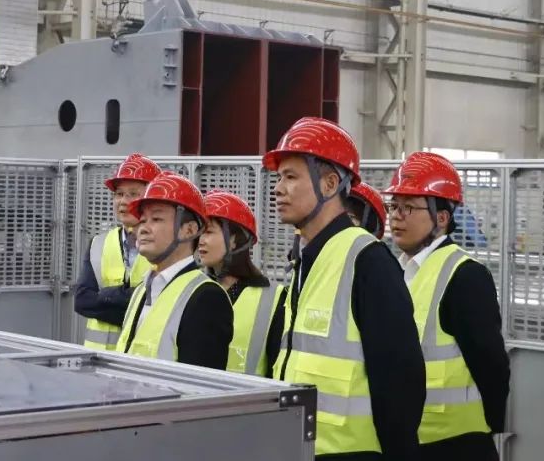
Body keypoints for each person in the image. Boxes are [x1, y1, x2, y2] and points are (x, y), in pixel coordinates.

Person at [264, 117, 424, 461]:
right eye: (279, 178)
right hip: (297, 448)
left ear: (330, 183)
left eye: (290, 177)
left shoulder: (368, 260)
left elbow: (401, 380)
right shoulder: (306, 259)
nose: (278, 188)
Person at [385, 151, 509, 461]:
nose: (396, 216)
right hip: (409, 440)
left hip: (456, 444)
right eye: (394, 206)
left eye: (408, 207)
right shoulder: (399, 271)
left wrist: (487, 427)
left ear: (441, 218)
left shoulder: (465, 275)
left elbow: (492, 364)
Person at [115, 172, 232, 369]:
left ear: (189, 230)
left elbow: (200, 384)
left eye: (156, 219)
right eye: (142, 220)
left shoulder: (207, 297)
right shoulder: (142, 290)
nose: (143, 228)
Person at [74, 154, 161, 350]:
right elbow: (82, 301)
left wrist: (104, 296)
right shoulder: (98, 243)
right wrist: (130, 299)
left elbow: (160, 303)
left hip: (143, 360)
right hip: (98, 359)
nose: (123, 201)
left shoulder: (167, 246)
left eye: (133, 194)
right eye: (119, 194)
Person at [196, 189, 282, 377]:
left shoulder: (274, 298)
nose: (200, 240)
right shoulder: (193, 289)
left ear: (235, 240)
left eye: (208, 232)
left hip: (253, 396)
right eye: (199, 232)